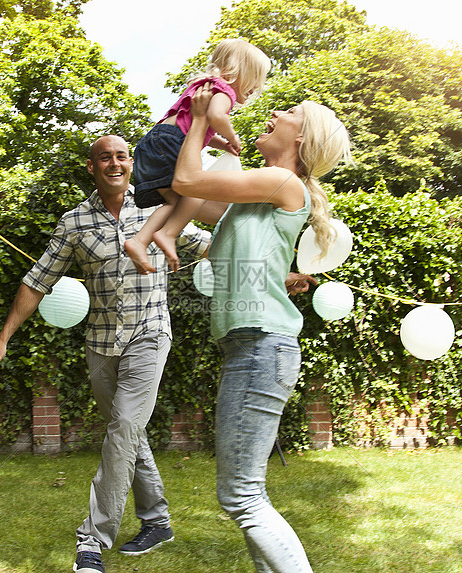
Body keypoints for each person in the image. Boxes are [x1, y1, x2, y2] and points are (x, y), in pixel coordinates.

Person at [0, 135, 210, 573]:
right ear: (92, 167)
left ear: (131, 163)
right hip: (101, 344)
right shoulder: (75, 223)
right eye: (105, 157)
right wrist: (3, 337)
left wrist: (276, 269)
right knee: (128, 433)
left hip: (149, 334)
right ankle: (157, 522)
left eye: (123, 156)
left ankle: (93, 539)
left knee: (123, 427)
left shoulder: (158, 207)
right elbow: (37, 280)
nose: (115, 163)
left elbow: (209, 243)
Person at [172, 83, 352, 572]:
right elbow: (180, 192)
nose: (274, 111)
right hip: (249, 350)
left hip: (261, 350)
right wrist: (182, 123)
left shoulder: (281, 182)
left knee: (242, 497)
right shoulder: (255, 196)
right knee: (245, 495)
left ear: (301, 139)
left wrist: (205, 119)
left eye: (289, 111)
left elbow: (188, 179)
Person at [124, 38, 271, 275]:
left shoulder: (202, 86)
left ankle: (140, 240)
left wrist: (220, 144)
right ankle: (167, 233)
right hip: (170, 142)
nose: (257, 88)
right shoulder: (224, 90)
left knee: (174, 202)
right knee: (198, 190)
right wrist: (233, 137)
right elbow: (215, 116)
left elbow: (194, 125)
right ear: (237, 73)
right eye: (254, 80)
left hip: (155, 142)